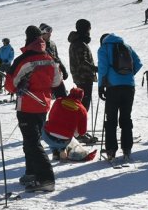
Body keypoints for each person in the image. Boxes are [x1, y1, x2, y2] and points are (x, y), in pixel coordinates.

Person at [5, 25, 61, 193]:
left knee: (32, 142)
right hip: (43, 104)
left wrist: (19, 85)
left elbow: (10, 85)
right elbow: (56, 81)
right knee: (32, 140)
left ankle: (46, 179)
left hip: (27, 105)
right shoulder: (49, 57)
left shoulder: (24, 59)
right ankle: (32, 173)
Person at [98, 33, 142, 162]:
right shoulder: (127, 47)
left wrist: (101, 86)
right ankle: (127, 149)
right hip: (129, 86)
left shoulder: (104, 48)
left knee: (111, 119)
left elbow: (103, 68)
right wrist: (127, 76)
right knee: (126, 117)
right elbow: (138, 63)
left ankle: (111, 150)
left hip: (113, 87)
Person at [42, 87, 93, 161]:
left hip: (47, 138)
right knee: (67, 133)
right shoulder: (82, 109)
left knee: (48, 125)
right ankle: (62, 150)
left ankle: (55, 152)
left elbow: (50, 117)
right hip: (64, 141)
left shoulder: (58, 101)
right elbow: (82, 132)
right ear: (81, 98)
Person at [67, 19, 97, 143]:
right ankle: (78, 133)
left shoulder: (78, 41)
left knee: (82, 106)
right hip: (84, 77)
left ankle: (79, 131)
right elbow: (82, 61)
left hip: (81, 77)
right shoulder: (79, 43)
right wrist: (95, 68)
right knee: (83, 107)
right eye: (89, 28)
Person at [40, 23, 69, 98]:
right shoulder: (38, 45)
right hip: (44, 77)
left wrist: (63, 69)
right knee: (46, 100)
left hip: (55, 75)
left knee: (63, 98)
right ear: (42, 34)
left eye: (50, 33)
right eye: (47, 33)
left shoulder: (52, 44)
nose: (50, 35)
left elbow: (56, 58)